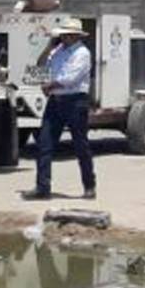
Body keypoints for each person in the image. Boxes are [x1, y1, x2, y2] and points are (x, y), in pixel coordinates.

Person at [22, 18, 96, 201]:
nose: (62, 37)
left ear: (74, 35)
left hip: (75, 101)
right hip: (55, 101)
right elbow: (39, 67)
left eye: (65, 34)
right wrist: (49, 45)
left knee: (81, 146)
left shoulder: (82, 53)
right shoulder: (57, 51)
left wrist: (50, 86)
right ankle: (42, 187)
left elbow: (70, 78)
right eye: (61, 34)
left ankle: (89, 186)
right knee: (44, 144)